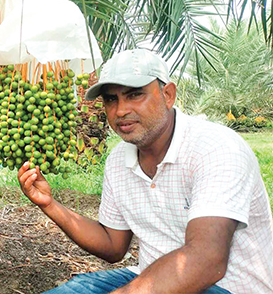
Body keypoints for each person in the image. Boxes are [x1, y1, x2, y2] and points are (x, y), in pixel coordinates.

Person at [17, 49, 273, 294]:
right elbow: (112, 245)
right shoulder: (119, 159)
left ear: (168, 95)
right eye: (111, 99)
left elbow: (206, 261)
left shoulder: (215, 148)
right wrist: (50, 204)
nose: (120, 110)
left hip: (226, 286)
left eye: (134, 95)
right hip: (148, 277)